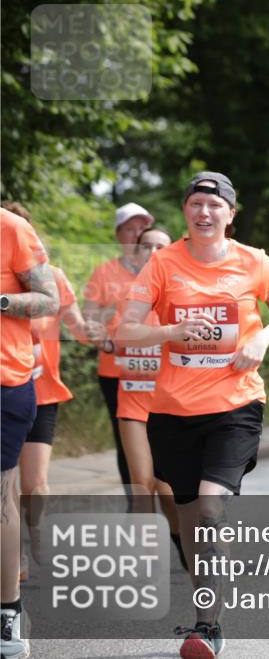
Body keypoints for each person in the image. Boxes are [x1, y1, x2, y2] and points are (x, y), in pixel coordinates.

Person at [118, 172, 269, 658]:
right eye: (196, 204)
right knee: (192, 522)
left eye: (214, 206)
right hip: (173, 411)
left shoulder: (254, 261)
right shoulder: (161, 264)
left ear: (230, 214)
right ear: (185, 211)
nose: (204, 213)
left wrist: (260, 338)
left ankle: (207, 626)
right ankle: (208, 604)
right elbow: (125, 332)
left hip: (235, 405)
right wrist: (172, 331)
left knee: (212, 510)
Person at [0, 202, 87, 578]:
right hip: (14, 383)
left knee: (34, 482)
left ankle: (36, 531)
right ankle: (14, 553)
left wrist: (101, 336)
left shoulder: (51, 278)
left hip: (41, 389)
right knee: (9, 481)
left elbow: (76, 324)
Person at [111, 226, 187, 568]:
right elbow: (116, 339)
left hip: (169, 404)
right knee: (142, 483)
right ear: (136, 253)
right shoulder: (127, 299)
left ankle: (182, 541)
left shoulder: (182, 297)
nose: (153, 252)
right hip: (133, 400)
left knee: (168, 490)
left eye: (161, 246)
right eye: (147, 246)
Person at [1, 206, 59, 659]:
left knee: (8, 492)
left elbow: (49, 299)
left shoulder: (10, 227)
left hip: (5, 382)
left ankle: (8, 614)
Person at [83, 202, 155, 496]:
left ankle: (170, 501)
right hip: (117, 369)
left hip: (161, 368)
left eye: (142, 228)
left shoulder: (162, 269)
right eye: (130, 228)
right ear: (118, 234)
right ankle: (136, 503)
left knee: (162, 434)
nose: (137, 234)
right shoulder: (104, 273)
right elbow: (89, 320)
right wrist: (103, 330)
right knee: (126, 440)